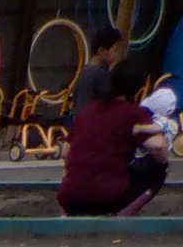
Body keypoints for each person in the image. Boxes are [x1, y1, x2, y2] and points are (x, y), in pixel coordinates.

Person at [58, 54, 169, 217]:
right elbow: (158, 146)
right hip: (107, 197)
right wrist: (164, 158)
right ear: (139, 89)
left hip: (69, 198)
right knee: (158, 168)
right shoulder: (134, 113)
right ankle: (124, 213)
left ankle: (65, 212)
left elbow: (66, 152)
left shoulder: (87, 111)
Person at [70, 24, 124, 118]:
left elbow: (76, 96)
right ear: (101, 50)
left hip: (79, 118)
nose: (117, 55)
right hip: (93, 119)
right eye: (115, 50)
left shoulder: (85, 69)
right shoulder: (100, 73)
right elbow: (111, 100)